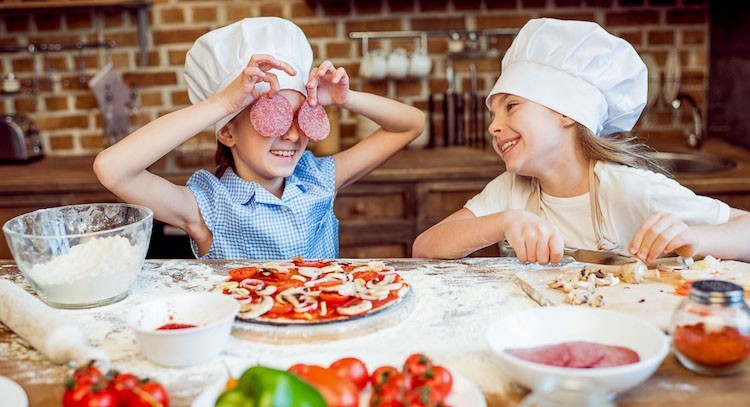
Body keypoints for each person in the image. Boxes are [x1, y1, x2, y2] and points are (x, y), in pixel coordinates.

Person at [413, 18, 750, 264]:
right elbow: (425, 247)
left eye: (511, 107)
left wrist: (695, 237)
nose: (494, 127)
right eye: (492, 115)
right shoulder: (511, 190)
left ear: (567, 112)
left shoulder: (627, 189)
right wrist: (504, 221)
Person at [94, 17, 424, 259]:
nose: (294, 134)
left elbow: (411, 123)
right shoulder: (207, 207)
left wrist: (344, 99)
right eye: (273, 116)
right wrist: (222, 104)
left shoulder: (318, 179)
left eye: (299, 116)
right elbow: (113, 168)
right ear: (227, 131)